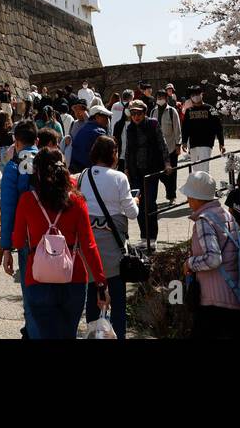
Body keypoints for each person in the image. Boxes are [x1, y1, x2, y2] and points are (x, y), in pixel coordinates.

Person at [12, 147, 107, 338]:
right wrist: (101, 283)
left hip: (38, 278)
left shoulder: (27, 200)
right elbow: (89, 245)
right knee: (68, 333)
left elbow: (18, 239)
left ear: (36, 171)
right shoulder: (78, 201)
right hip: (73, 276)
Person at [181, 170, 240, 339]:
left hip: (215, 302)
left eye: (189, 196)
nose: (188, 201)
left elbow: (213, 259)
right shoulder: (227, 215)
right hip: (237, 296)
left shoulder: (204, 221)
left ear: (196, 197)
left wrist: (189, 263)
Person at [79, 135, 138, 338]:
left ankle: (94, 335)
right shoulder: (119, 177)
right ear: (113, 154)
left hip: (88, 250)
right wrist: (135, 201)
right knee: (118, 302)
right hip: (113, 249)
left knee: (92, 298)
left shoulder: (82, 176)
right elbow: (132, 213)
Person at [0, 119, 40, 337]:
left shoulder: (17, 166)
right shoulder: (52, 160)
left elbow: (8, 209)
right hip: (58, 237)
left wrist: (6, 247)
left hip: (28, 239)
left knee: (31, 290)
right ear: (38, 140)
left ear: (16, 141)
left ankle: (32, 331)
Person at [120, 99, 169, 245]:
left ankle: (152, 237)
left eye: (139, 113)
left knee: (150, 204)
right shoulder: (130, 128)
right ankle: (144, 237)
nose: (136, 116)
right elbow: (128, 149)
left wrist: (167, 162)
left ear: (144, 113)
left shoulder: (152, 124)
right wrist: (127, 168)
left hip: (151, 169)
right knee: (139, 205)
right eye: (133, 113)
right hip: (136, 172)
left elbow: (162, 143)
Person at [181, 86, 224, 173]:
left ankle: (205, 185)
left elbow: (218, 126)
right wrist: (184, 141)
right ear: (190, 97)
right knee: (195, 169)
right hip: (193, 144)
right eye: (193, 95)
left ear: (202, 94)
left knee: (204, 168)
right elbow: (185, 127)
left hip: (206, 143)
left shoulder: (210, 108)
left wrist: (221, 143)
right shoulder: (189, 111)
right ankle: (198, 186)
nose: (195, 97)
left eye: (197, 94)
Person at [154, 87, 182, 201]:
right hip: (158, 148)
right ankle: (169, 189)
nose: (160, 99)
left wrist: (178, 145)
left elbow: (177, 129)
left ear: (166, 98)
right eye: (158, 97)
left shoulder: (172, 111)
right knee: (160, 173)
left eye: (162, 97)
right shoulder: (153, 111)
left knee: (172, 173)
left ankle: (171, 196)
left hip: (170, 147)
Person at [68, 104, 110, 175]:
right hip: (89, 171)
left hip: (76, 169)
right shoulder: (99, 132)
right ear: (97, 117)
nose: (107, 120)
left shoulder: (84, 128)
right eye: (105, 117)